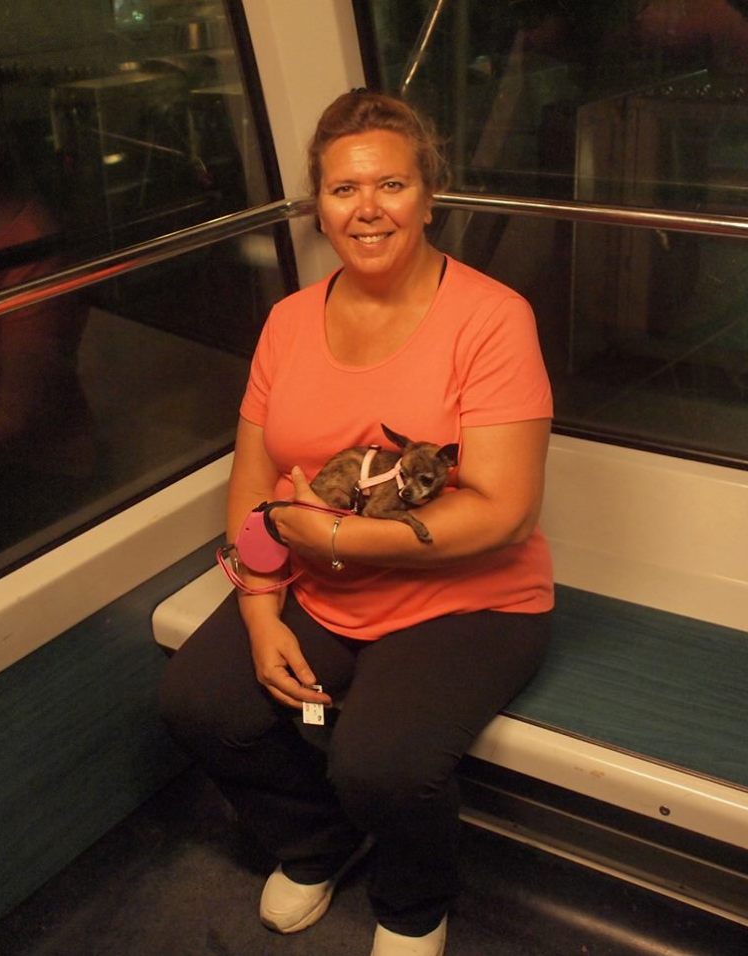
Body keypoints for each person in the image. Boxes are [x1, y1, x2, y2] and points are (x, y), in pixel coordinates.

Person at [159, 90, 554, 956]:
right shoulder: (287, 322)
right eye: (344, 190)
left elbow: (503, 511)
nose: (367, 209)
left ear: (428, 196)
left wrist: (335, 538)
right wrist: (259, 610)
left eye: (391, 185)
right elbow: (254, 481)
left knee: (379, 762)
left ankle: (413, 903)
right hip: (318, 584)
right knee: (200, 704)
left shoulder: (493, 318)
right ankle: (318, 842)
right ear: (320, 206)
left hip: (467, 599)